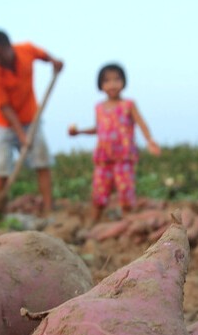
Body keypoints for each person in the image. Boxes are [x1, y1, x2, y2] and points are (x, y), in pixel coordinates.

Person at [0, 30, 63, 214]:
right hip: (3, 125)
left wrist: (54, 62)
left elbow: (43, 56)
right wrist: (21, 134)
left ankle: (49, 208)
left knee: (42, 162)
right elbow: (5, 108)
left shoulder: (26, 50)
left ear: (8, 47)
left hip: (31, 119)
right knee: (1, 167)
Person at [68, 62, 161, 223]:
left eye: (116, 80)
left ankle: (128, 221)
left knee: (126, 192)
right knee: (99, 193)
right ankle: (94, 222)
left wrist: (149, 140)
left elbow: (141, 123)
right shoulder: (99, 107)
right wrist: (79, 132)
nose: (112, 84)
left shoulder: (128, 105)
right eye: (107, 81)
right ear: (100, 85)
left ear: (124, 82)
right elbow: (99, 129)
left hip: (123, 157)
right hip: (104, 158)